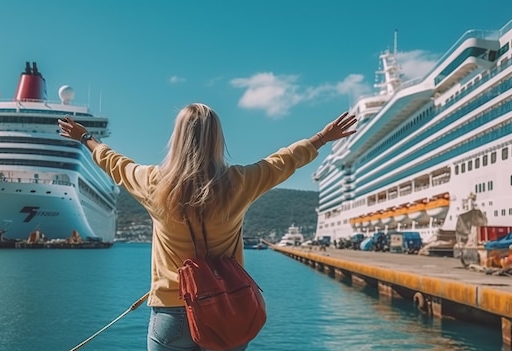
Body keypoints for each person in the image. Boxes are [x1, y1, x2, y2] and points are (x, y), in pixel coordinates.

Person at [58, 103, 356, 351]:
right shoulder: (239, 183)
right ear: (217, 139)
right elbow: (282, 162)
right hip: (229, 308)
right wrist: (321, 138)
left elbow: (115, 163)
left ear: (177, 138)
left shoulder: (152, 183)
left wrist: (86, 138)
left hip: (171, 312)